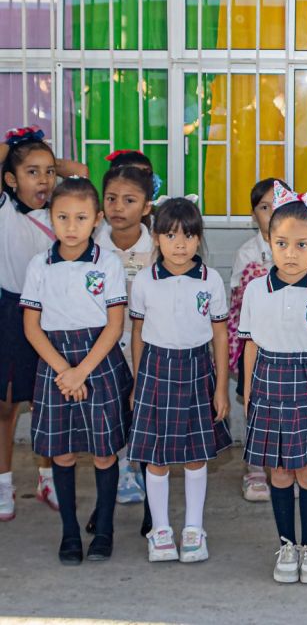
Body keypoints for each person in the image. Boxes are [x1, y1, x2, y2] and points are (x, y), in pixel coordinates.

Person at [239, 182, 307, 584]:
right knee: (280, 473)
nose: (291, 253)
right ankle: (286, 544)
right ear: (269, 241)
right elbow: (249, 345)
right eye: (282, 243)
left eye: (302, 245)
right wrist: (249, 392)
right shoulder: (256, 290)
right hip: (270, 380)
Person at [20, 177, 132, 563]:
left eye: (81, 217)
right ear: (50, 219)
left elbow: (115, 325)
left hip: (97, 360)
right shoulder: (40, 265)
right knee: (62, 453)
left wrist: (81, 371)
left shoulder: (109, 263)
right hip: (54, 362)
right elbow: (32, 327)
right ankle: (69, 531)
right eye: (62, 217)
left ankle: (104, 529)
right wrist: (64, 371)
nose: (71, 226)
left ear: (97, 220)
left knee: (103, 452)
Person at [127, 197, 231, 562]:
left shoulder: (211, 280)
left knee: (195, 455)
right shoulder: (144, 280)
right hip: (156, 369)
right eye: (170, 235)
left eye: (188, 235)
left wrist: (220, 387)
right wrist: (138, 383)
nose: (180, 244)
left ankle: (193, 529)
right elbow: (138, 332)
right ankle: (160, 531)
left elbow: (220, 335)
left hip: (197, 368)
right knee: (156, 458)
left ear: (199, 238)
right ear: (156, 238)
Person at [0, 126, 62, 520]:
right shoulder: (3, 206)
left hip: (52, 313)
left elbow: (85, 170)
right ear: (10, 179)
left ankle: (47, 477)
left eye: (50, 171)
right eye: (32, 172)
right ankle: (4, 483)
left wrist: (43, 158)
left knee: (47, 404)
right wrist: (17, 146)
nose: (44, 179)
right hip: (8, 311)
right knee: (6, 407)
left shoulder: (63, 211)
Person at [93, 156, 156, 510]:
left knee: (140, 407)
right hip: (102, 344)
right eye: (111, 198)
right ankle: (118, 466)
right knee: (110, 409)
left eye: (129, 200)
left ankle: (140, 463)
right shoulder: (92, 246)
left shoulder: (158, 248)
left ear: (147, 206)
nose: (118, 207)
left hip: (144, 344)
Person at [229, 177, 288, 503]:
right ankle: (255, 468)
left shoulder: (300, 245)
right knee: (255, 406)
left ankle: (283, 465)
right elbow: (238, 303)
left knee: (286, 409)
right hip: (257, 347)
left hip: (290, 347)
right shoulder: (246, 253)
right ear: (255, 215)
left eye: (278, 205)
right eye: (265, 207)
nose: (272, 213)